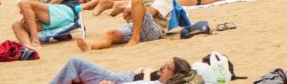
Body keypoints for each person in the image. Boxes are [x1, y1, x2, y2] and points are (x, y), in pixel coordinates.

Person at [49, 56, 194, 84]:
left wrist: (147, 75)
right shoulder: (162, 77)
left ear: (174, 75)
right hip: (126, 76)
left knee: (76, 63)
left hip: (118, 80)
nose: (161, 67)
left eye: (166, 67)